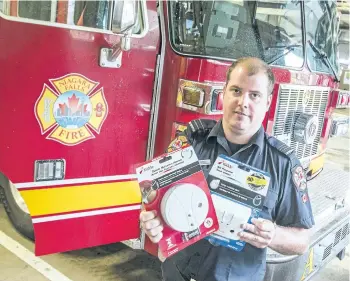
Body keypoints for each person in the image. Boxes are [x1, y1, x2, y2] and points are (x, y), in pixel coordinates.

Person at [140, 57, 315, 281]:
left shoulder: (283, 164)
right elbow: (155, 201)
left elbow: (302, 241)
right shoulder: (191, 141)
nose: (243, 102)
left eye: (254, 95)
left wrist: (273, 235)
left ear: (268, 102)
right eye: (236, 90)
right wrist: (151, 220)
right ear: (224, 93)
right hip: (177, 273)